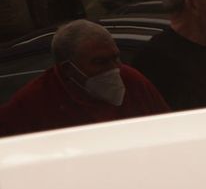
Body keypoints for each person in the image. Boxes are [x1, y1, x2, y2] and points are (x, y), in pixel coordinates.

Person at [0, 19, 168, 136]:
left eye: (116, 58)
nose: (114, 69)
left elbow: (169, 128)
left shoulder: (132, 80)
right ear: (68, 69)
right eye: (100, 62)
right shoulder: (32, 104)